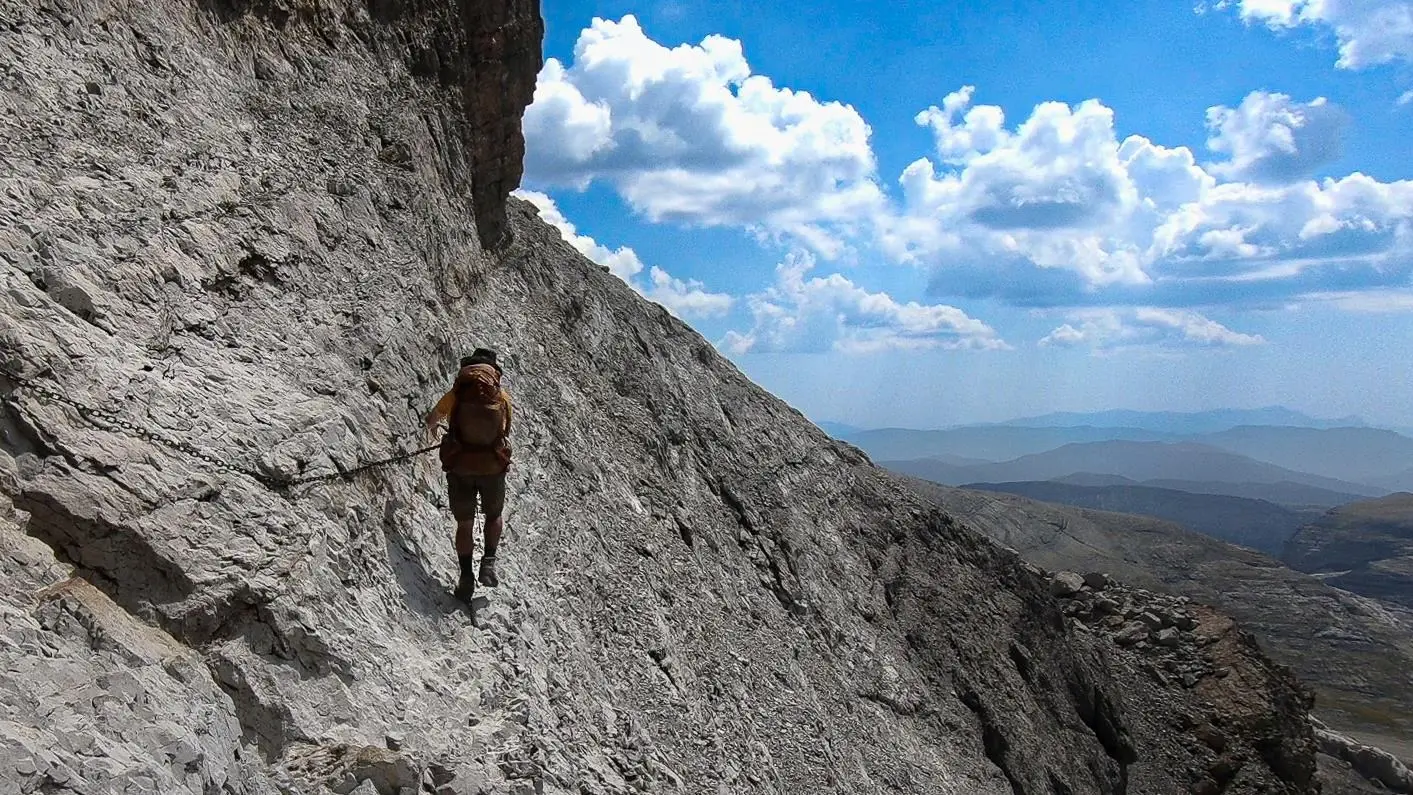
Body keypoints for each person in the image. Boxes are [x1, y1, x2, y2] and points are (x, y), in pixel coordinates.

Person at [425, 348, 513, 601]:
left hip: (461, 466)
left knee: (464, 523)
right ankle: (488, 562)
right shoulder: (501, 397)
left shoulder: (457, 394)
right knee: (494, 515)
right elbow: (505, 430)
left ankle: (465, 576)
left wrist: (438, 430)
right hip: (491, 467)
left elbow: (433, 419)